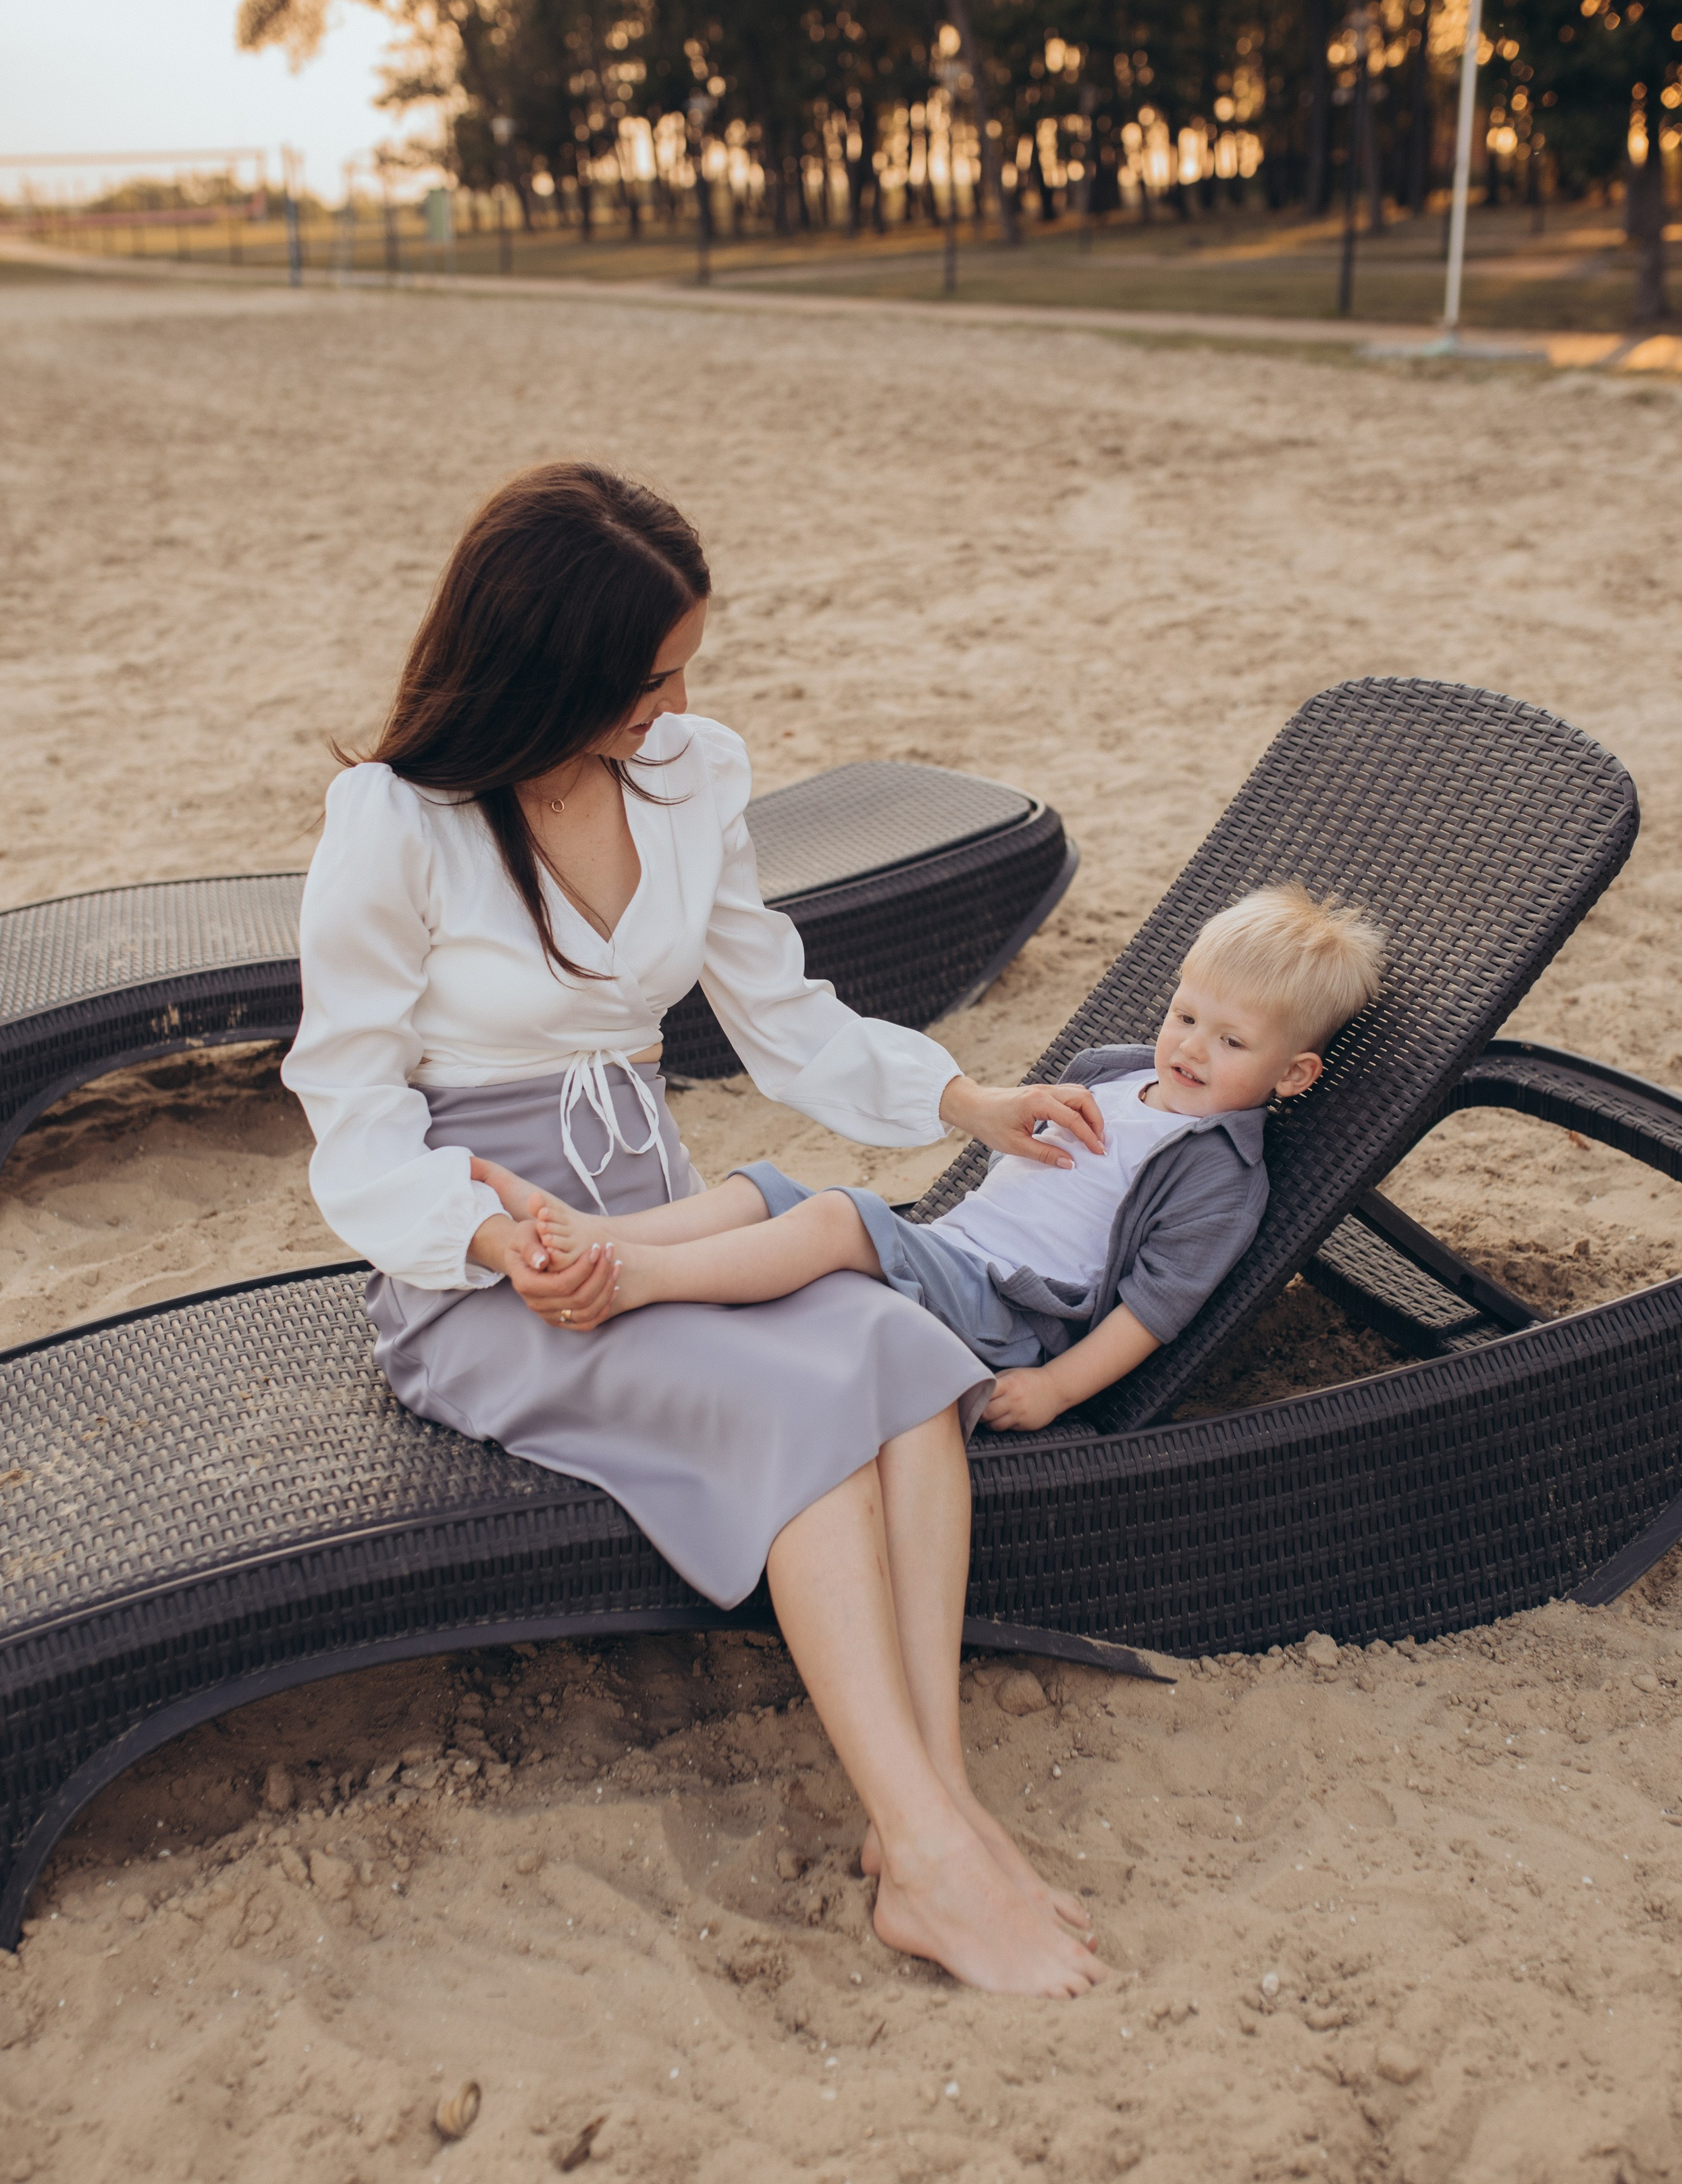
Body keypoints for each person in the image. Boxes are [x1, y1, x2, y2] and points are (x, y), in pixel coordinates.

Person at [282, 461, 1108, 1998]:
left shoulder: (689, 772)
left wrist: (966, 1102)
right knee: (801, 1405)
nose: (676, 705)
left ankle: (929, 1819)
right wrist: (491, 1243)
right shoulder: (394, 822)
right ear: (547, 668)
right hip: (489, 1261)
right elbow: (350, 1105)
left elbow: (779, 1013)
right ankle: (930, 1848)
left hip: (660, 1214)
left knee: (896, 1351)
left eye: (684, 671)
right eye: (648, 680)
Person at [481, 884, 1386, 1432]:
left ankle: (638, 1280)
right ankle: (612, 1236)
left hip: (1011, 1312)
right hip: (953, 1255)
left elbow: (1155, 1311)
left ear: (1293, 1074)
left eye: (1231, 1042)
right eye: (1185, 1015)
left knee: (839, 1215)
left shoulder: (1218, 1171)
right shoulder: (1112, 1075)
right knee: (768, 1189)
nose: (1189, 1047)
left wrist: (1055, 1388)